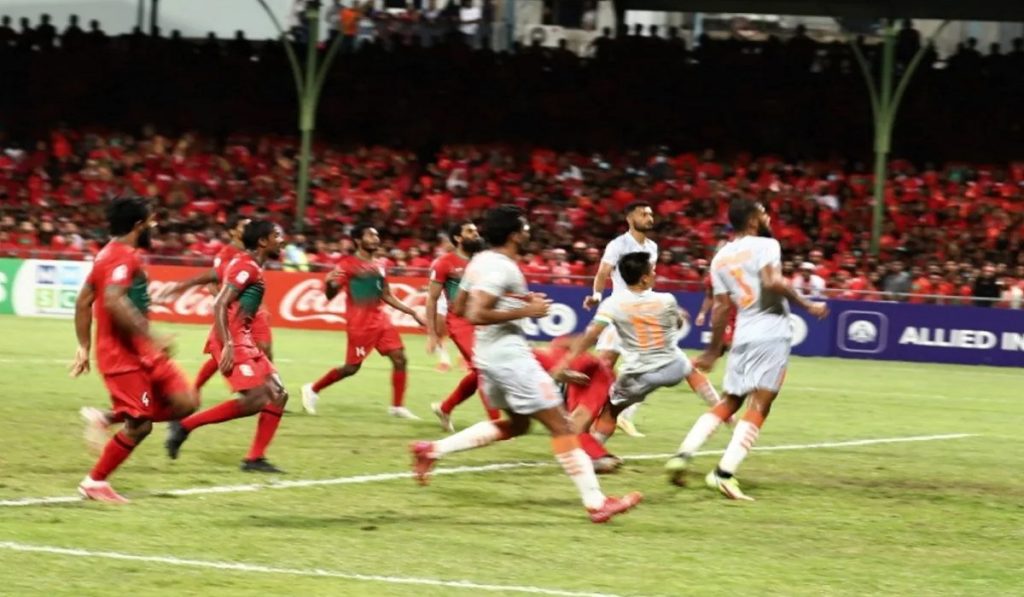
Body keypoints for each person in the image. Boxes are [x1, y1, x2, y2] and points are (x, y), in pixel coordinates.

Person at [409, 206, 642, 523]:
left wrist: (517, 301)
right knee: (562, 427)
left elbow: (459, 308)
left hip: (488, 357)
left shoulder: (479, 261)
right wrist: (526, 311)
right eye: (526, 228)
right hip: (511, 360)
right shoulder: (502, 267)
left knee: (518, 425)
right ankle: (597, 503)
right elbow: (476, 313)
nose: (529, 232)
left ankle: (432, 450)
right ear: (515, 234)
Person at [666, 200, 828, 500]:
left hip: (743, 333)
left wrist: (713, 350)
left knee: (730, 401)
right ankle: (724, 474)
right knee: (760, 405)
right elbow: (772, 282)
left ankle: (683, 454)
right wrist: (807, 305)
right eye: (763, 213)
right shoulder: (767, 245)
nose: (768, 217)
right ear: (753, 221)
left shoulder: (720, 257)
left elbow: (721, 308)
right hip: (771, 332)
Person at [71, 197, 198, 503]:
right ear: (139, 225)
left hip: (143, 352)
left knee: (186, 402)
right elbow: (113, 300)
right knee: (139, 426)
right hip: (123, 356)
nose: (154, 226)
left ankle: (106, 417)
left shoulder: (108, 254)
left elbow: (84, 301)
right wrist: (152, 335)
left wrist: (84, 346)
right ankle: (94, 482)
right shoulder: (121, 257)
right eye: (151, 221)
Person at [164, 220, 290, 473]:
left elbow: (215, 275)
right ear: (262, 241)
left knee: (278, 395)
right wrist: (228, 345)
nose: (282, 240)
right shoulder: (246, 266)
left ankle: (254, 459)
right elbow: (220, 303)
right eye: (277, 235)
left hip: (244, 338)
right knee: (256, 399)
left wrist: (181, 285)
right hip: (231, 338)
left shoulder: (249, 264)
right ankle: (186, 426)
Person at [553, 252, 722, 426]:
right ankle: (722, 410)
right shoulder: (665, 298)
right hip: (653, 351)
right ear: (644, 278)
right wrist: (676, 317)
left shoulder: (617, 299)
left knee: (611, 403)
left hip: (637, 356)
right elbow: (677, 324)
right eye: (652, 271)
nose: (655, 274)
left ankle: (591, 429)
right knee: (684, 366)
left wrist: (566, 363)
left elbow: (590, 335)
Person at [302, 224, 426, 419]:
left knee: (400, 358)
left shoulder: (381, 264)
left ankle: (397, 407)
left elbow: (386, 295)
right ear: (358, 240)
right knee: (351, 368)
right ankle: (312, 389)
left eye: (376, 235)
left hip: (381, 320)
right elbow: (330, 294)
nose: (375, 238)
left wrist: (412, 312)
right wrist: (329, 283)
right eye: (370, 235)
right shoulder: (347, 265)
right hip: (360, 324)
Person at [155, 215, 275, 399]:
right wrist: (225, 303)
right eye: (244, 226)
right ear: (233, 232)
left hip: (253, 312)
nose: (249, 228)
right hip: (235, 312)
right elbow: (213, 281)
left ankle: (270, 393)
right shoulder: (227, 254)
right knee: (228, 350)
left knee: (264, 349)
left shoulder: (255, 253)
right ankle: (201, 388)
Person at [582, 201, 658, 437]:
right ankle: (585, 411)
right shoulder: (618, 245)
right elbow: (603, 272)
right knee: (604, 365)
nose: (649, 217)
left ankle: (624, 416)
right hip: (619, 311)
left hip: (641, 313)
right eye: (643, 214)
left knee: (648, 368)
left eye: (650, 214)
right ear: (630, 218)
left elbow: (648, 280)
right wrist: (596, 296)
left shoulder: (653, 247)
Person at [427, 221, 500, 431]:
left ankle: (445, 408)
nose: (476, 234)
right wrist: (432, 333)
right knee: (484, 369)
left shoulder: (484, 261)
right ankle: (496, 423)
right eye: (470, 231)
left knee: (483, 371)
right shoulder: (444, 263)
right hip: (460, 322)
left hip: (483, 318)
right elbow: (432, 299)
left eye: (476, 231)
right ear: (458, 238)